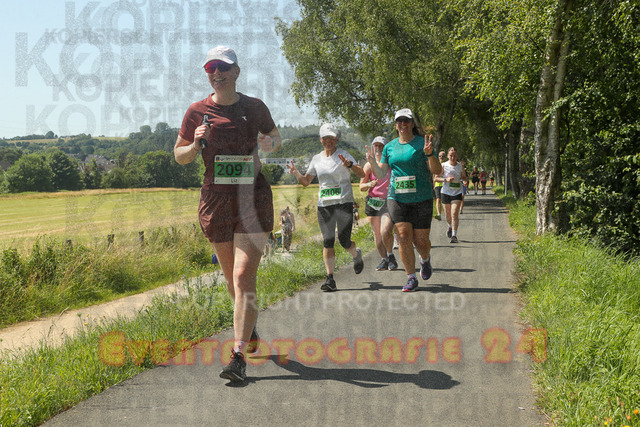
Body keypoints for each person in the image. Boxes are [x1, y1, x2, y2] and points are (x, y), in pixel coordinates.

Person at [174, 46, 282, 383]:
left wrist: (268, 144)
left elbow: (275, 137)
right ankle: (249, 330)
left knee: (243, 275)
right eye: (211, 68)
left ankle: (237, 356)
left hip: (252, 199)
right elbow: (179, 155)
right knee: (232, 282)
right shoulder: (197, 111)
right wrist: (195, 144)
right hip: (216, 200)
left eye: (223, 67)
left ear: (236, 72)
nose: (217, 73)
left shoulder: (254, 107)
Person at [365, 108, 442, 292]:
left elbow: (437, 170)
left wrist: (430, 154)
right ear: (395, 125)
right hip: (397, 198)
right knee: (403, 235)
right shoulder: (390, 147)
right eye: (399, 121)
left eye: (406, 120)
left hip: (422, 198)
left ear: (412, 123)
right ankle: (411, 277)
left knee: (421, 241)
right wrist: (373, 162)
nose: (402, 124)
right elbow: (381, 173)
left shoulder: (422, 143)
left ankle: (425, 259)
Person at [287, 123, 366, 291]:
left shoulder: (343, 155)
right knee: (328, 241)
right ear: (320, 139)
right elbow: (306, 182)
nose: (329, 141)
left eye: (332, 138)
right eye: (325, 138)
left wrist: (350, 165)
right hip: (324, 206)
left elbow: (362, 173)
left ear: (336, 140)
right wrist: (296, 173)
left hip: (343, 203)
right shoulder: (316, 159)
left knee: (344, 240)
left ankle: (356, 254)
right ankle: (330, 279)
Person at [359, 136, 397, 271]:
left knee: (385, 230)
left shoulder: (391, 163)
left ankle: (391, 255)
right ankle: (384, 259)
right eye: (376, 145)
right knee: (377, 235)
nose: (378, 148)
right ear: (372, 147)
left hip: (388, 201)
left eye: (381, 146)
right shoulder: (368, 165)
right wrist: (369, 184)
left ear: (386, 148)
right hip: (373, 202)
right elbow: (361, 187)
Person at [440, 147, 468, 243]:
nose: (453, 157)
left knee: (454, 213)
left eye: (454, 156)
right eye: (451, 155)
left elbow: (464, 177)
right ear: (448, 156)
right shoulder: (443, 165)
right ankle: (449, 226)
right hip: (445, 192)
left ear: (457, 156)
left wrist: (464, 180)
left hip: (457, 192)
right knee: (448, 215)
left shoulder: (460, 166)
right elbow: (435, 178)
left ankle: (454, 235)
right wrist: (446, 180)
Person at [433, 151, 446, 221]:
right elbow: (434, 175)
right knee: (438, 199)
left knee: (444, 200)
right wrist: (434, 184)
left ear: (445, 157)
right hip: (437, 184)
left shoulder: (447, 164)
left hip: (445, 184)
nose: (441, 157)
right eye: (440, 156)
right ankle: (439, 214)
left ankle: (447, 213)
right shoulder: (436, 164)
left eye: (443, 156)